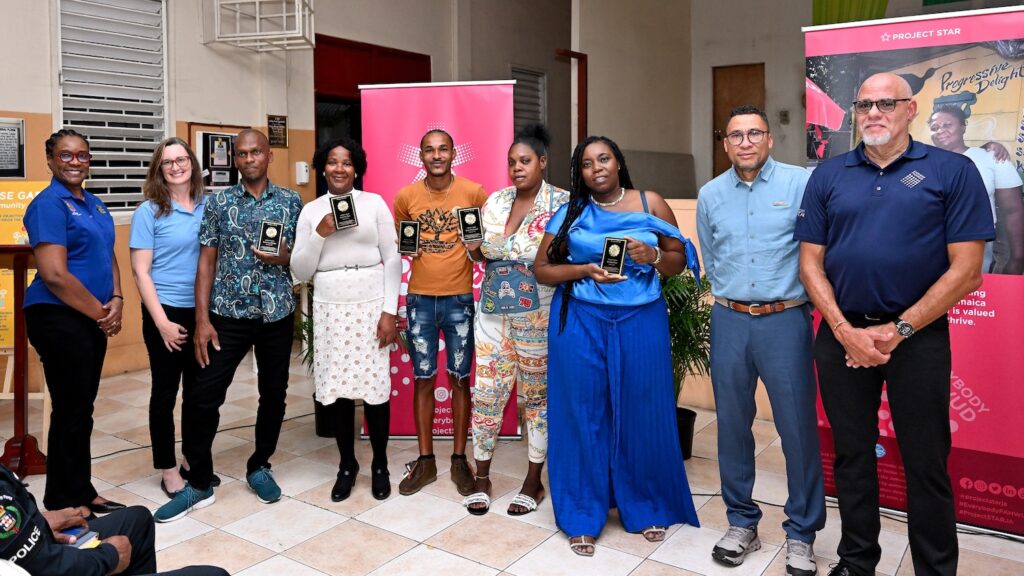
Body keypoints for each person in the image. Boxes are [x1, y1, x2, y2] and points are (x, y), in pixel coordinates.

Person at [795, 73, 993, 576]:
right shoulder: (829, 174)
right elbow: (810, 263)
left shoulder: (952, 170)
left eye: (886, 103)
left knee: (926, 462)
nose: (873, 113)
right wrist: (845, 331)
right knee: (852, 456)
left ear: (911, 109)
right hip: (841, 336)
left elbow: (967, 270)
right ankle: (856, 562)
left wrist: (898, 330)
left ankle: (935, 569)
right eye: (864, 105)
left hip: (918, 339)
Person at [534, 135, 701, 556]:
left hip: (641, 319)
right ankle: (581, 513)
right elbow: (542, 269)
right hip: (581, 321)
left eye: (604, 158)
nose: (597, 168)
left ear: (618, 162)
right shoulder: (571, 212)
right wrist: (584, 269)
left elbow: (678, 261)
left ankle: (645, 504)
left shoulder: (650, 203)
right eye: (587, 163)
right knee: (583, 414)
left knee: (641, 410)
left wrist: (653, 256)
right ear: (580, 173)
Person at [697, 105, 825, 575]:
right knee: (732, 426)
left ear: (770, 139)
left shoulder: (800, 183)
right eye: (736, 135)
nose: (745, 142)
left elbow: (819, 250)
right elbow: (711, 255)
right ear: (725, 144)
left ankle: (802, 533)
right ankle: (741, 523)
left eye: (755, 133)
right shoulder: (711, 194)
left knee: (796, 430)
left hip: (785, 320)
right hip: (729, 319)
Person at [154, 129, 303, 522]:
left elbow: (303, 258)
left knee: (274, 394)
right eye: (242, 154)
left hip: (276, 314)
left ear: (269, 156)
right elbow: (206, 261)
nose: (249, 159)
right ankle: (199, 482)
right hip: (227, 315)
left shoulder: (291, 201)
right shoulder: (218, 203)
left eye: (256, 152)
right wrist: (202, 319)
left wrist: (285, 257)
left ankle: (259, 465)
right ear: (235, 159)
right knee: (203, 397)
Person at [461, 124, 569, 516]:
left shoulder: (563, 204)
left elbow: (564, 257)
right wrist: (475, 249)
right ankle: (482, 477)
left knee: (537, 399)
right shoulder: (495, 201)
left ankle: (533, 481)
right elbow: (481, 255)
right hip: (493, 315)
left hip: (538, 316)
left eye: (525, 161)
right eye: (512, 162)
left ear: (543, 162)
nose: (517, 168)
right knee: (487, 393)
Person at [291, 137, 401, 502]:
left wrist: (390, 311)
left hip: (371, 304)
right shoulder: (311, 212)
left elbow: (393, 258)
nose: (340, 168)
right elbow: (300, 270)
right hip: (330, 307)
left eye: (347, 162)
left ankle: (380, 465)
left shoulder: (374, 203)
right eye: (333, 162)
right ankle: (347, 465)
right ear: (323, 168)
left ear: (357, 169)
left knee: (375, 389)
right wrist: (320, 234)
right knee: (337, 390)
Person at [22, 129, 126, 514]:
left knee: (81, 408)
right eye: (66, 155)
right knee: (70, 409)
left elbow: (107, 254)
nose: (75, 162)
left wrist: (117, 298)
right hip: (56, 316)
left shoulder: (94, 203)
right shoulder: (49, 205)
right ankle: (63, 501)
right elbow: (54, 275)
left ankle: (81, 491)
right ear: (50, 159)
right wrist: (102, 314)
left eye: (82, 155)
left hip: (89, 317)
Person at [392, 129, 488, 497]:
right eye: (429, 150)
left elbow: (481, 249)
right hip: (419, 300)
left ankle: (459, 459)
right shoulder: (406, 197)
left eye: (443, 149)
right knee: (423, 378)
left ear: (452, 154)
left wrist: (476, 248)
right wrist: (409, 246)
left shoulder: (474, 193)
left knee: (460, 378)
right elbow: (405, 236)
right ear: (421, 156)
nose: (436, 155)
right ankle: (426, 460)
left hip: (459, 300)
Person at [130, 137, 208, 499]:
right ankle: (168, 468)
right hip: (165, 311)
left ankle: (192, 459)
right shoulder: (149, 212)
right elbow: (141, 272)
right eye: (168, 162)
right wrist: (161, 322)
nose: (176, 166)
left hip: (202, 311)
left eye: (181, 159)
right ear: (159, 170)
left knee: (199, 392)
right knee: (165, 393)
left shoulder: (208, 205)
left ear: (192, 163)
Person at [0, 465, 227, 575]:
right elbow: (45, 567)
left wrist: (37, 522)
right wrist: (108, 557)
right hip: (38, 567)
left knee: (137, 520)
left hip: (32, 555)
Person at [927, 105, 1024, 274]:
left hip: (976, 244)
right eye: (935, 127)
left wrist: (1018, 258)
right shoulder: (922, 162)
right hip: (929, 243)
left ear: (963, 127)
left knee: (971, 288)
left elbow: (1012, 211)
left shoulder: (992, 158)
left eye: (947, 125)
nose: (940, 130)